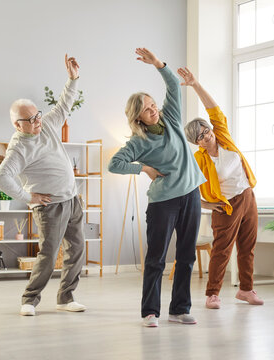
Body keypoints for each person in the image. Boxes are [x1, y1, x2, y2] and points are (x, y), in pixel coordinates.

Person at [108, 48, 206, 327]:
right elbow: (114, 164)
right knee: (156, 258)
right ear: (138, 117)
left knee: (186, 256)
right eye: (147, 109)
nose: (153, 110)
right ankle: (150, 312)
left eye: (153, 105)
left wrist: (158, 64)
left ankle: (179, 309)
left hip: (191, 195)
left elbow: (173, 85)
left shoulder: (172, 119)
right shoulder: (138, 142)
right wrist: (145, 168)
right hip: (164, 202)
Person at [0, 54, 86, 317]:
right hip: (50, 207)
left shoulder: (47, 125)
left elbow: (65, 104)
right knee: (48, 255)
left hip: (72, 200)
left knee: (77, 250)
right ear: (17, 124)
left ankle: (66, 297)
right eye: (30, 120)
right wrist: (28, 197)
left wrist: (72, 78)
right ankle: (30, 299)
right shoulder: (19, 147)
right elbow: (1, 178)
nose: (36, 122)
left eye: (37, 116)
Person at [179, 67, 264, 309]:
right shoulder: (199, 160)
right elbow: (189, 188)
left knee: (247, 247)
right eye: (200, 137)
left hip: (248, 196)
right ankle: (212, 294)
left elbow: (213, 109)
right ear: (196, 143)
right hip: (227, 205)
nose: (207, 137)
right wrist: (205, 204)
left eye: (206, 131)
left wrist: (195, 84)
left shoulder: (224, 138)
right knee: (222, 250)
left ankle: (246, 290)